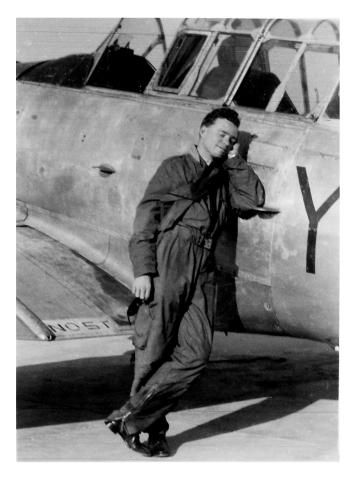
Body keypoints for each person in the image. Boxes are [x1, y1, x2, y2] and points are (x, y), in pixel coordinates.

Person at [105, 107, 265, 457]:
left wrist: (236, 161)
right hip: (169, 259)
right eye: (221, 134)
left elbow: (254, 201)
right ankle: (150, 430)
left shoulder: (225, 177)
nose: (226, 142)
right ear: (203, 131)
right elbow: (146, 219)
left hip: (203, 265)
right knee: (154, 349)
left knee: (196, 353)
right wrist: (143, 270)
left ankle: (131, 419)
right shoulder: (174, 168)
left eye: (232, 139)